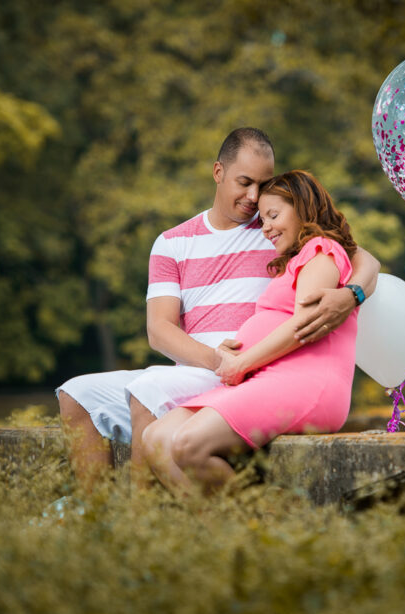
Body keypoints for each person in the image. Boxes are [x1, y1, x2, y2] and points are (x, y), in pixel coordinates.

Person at [56, 128, 379, 490]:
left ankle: (142, 521)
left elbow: (359, 256)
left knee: (148, 388)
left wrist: (352, 294)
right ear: (218, 172)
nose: (253, 196)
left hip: (253, 365)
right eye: (244, 182)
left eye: (263, 184)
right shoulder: (172, 242)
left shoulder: (275, 228)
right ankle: (92, 514)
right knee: (75, 393)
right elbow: (159, 331)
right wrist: (215, 360)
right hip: (205, 363)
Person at [142, 170, 362, 496]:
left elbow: (302, 327)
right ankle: (219, 535)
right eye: (263, 220)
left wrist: (241, 363)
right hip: (270, 378)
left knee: (188, 445)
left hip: (308, 382)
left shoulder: (321, 250)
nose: (267, 227)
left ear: (303, 207)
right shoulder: (293, 259)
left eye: (274, 215)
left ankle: (261, 530)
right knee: (156, 438)